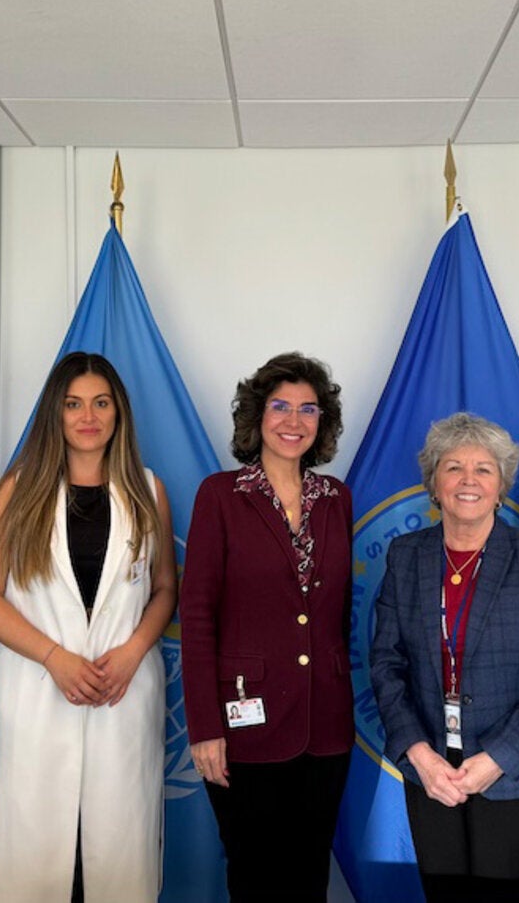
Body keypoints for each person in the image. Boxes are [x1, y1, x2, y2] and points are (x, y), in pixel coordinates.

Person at [0, 352, 176, 902]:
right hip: (40, 693)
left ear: (119, 413)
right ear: (54, 414)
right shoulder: (18, 490)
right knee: (35, 857)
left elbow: (163, 590)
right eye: (74, 403)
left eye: (101, 403)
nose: (89, 416)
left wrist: (134, 650)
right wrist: (53, 657)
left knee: (119, 860)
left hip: (123, 694)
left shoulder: (149, 490)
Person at [370, 413, 519, 903]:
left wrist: (498, 759)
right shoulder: (406, 556)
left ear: (502, 483)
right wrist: (419, 755)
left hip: (518, 776)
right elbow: (386, 663)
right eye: (454, 467)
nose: (469, 480)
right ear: (433, 482)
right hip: (433, 775)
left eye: (484, 469)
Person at [181, 353, 355, 902]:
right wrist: (205, 726)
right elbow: (198, 615)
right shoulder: (221, 495)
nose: (294, 420)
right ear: (257, 417)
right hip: (242, 724)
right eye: (280, 406)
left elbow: (338, 612)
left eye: (308, 409)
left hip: (324, 722)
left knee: (309, 876)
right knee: (255, 874)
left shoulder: (336, 501)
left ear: (321, 423)